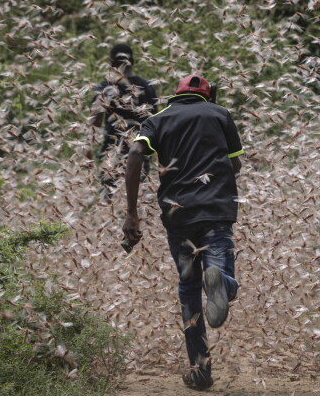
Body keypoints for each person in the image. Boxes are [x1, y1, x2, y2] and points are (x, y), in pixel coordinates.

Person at [122, 74, 244, 390]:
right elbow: (236, 165)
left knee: (188, 287)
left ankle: (200, 370)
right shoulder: (219, 114)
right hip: (217, 211)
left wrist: (132, 214)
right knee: (218, 270)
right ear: (206, 95)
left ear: (176, 95)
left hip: (179, 216)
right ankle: (222, 283)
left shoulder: (159, 120)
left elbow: (135, 155)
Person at [90, 43, 157, 200]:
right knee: (137, 198)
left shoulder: (105, 87)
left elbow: (95, 123)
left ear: (111, 63)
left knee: (110, 200)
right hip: (139, 150)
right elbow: (155, 120)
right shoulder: (145, 86)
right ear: (132, 61)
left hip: (111, 151)